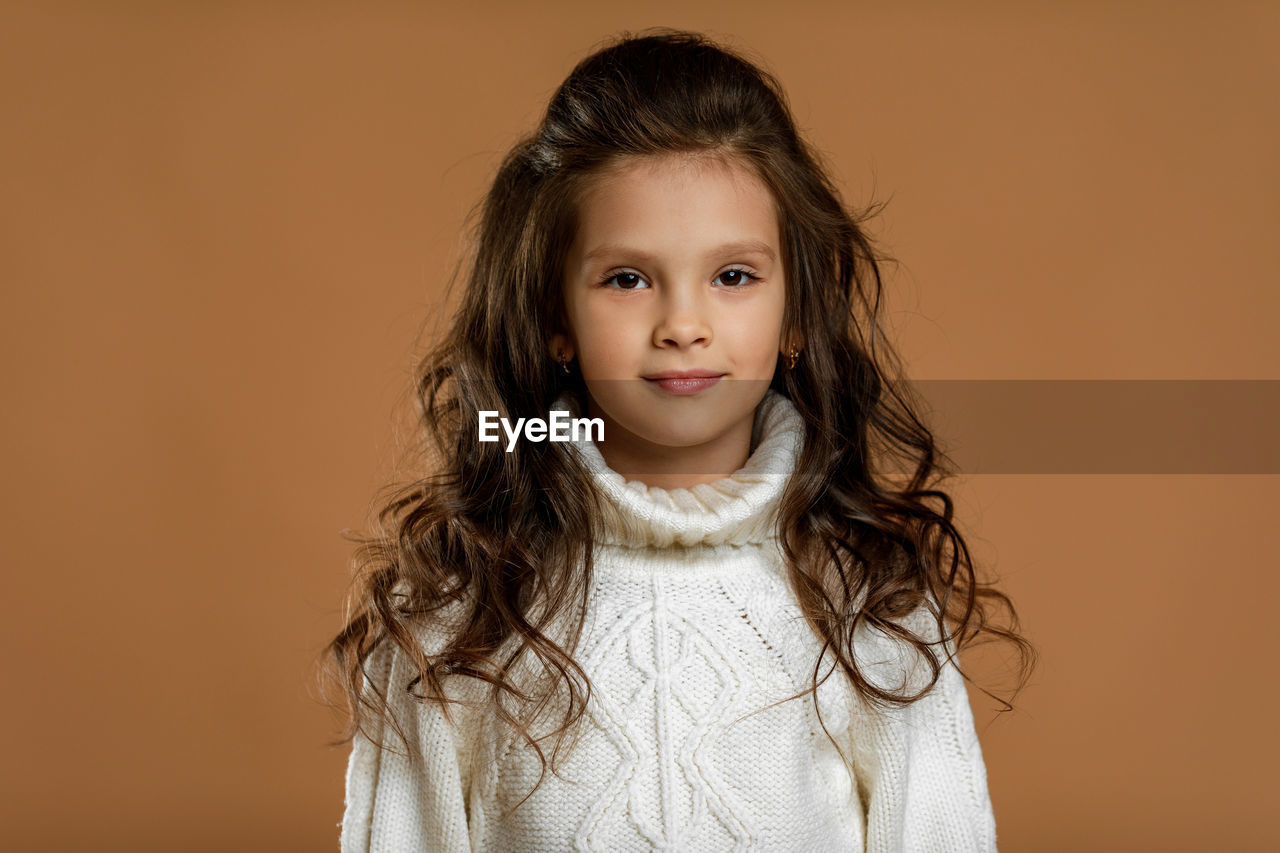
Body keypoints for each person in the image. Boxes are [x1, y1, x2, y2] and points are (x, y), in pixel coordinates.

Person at [324, 27, 1035, 853]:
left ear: (796, 310)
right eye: (628, 278)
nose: (684, 325)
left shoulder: (872, 604)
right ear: (556, 319)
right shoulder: (460, 612)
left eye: (733, 276)